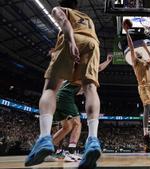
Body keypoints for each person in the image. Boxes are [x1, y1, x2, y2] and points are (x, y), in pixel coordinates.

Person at [25, 0, 102, 168]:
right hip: (93, 43)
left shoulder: (60, 9)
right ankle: (93, 140)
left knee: (51, 88)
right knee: (90, 88)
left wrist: (70, 41)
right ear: (77, 5)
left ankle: (45, 138)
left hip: (73, 36)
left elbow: (65, 23)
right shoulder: (88, 18)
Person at [45, 54, 113, 162]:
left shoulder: (73, 71)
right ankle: (71, 153)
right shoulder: (84, 70)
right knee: (77, 124)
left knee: (66, 128)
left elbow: (96, 70)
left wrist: (108, 61)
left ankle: (45, 152)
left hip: (56, 97)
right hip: (64, 97)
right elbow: (97, 69)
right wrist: (108, 61)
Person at [123, 22, 150, 152]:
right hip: (142, 87)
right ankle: (146, 135)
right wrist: (127, 33)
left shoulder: (146, 62)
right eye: (136, 52)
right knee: (147, 108)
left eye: (138, 52)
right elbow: (131, 47)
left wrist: (145, 47)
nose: (137, 53)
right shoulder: (135, 61)